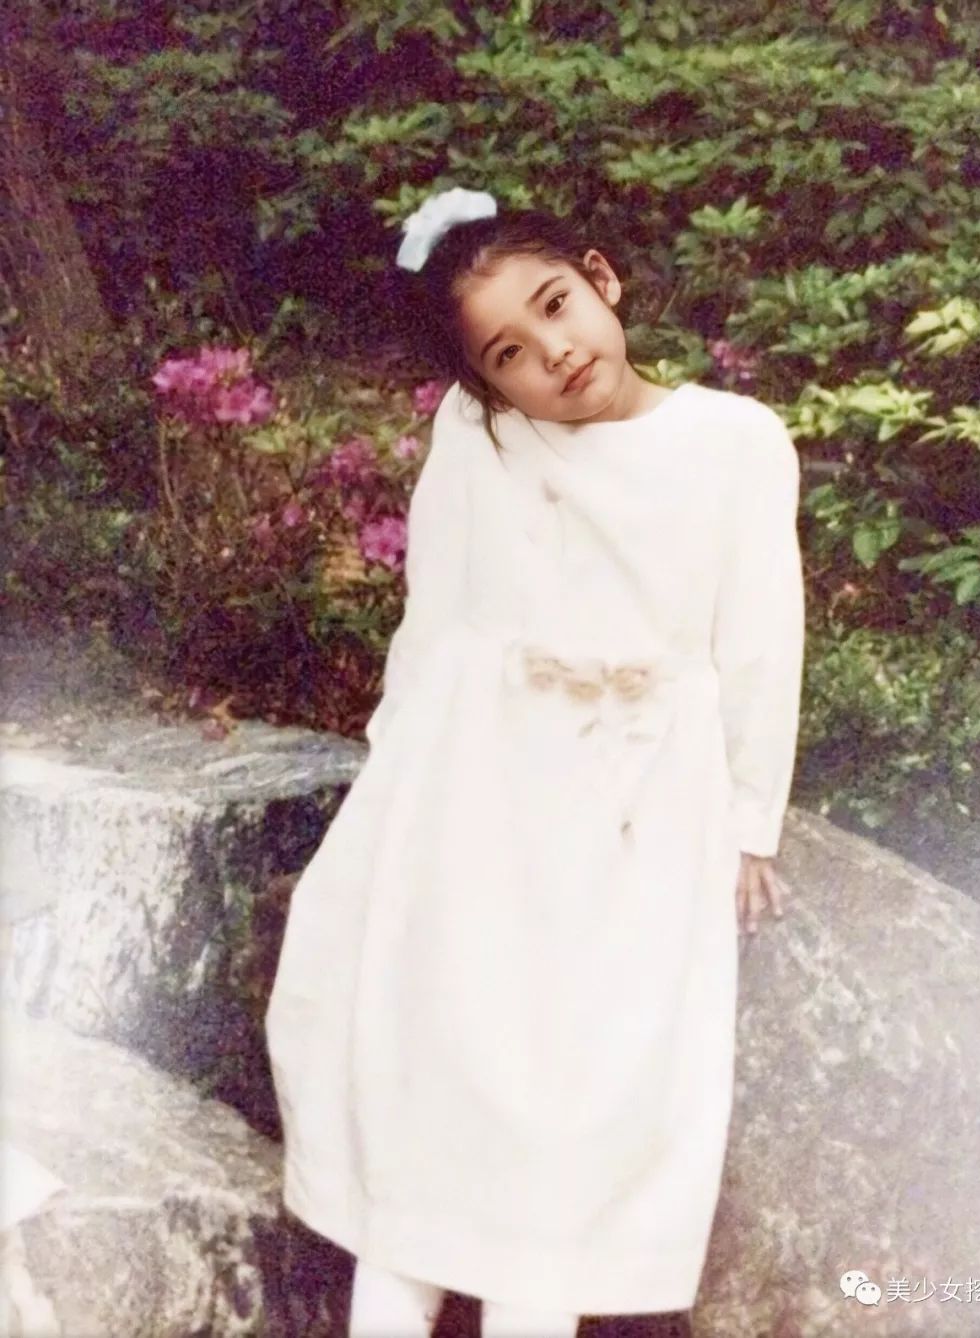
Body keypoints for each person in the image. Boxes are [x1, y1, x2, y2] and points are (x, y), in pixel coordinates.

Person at [265, 185, 805, 1337]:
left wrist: (750, 821)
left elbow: (762, 639)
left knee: (577, 1101)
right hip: (487, 780)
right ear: (485, 385)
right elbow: (438, 607)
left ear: (601, 279)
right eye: (507, 352)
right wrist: (394, 776)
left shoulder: (733, 442)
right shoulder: (484, 436)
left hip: (639, 792)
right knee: (438, 1064)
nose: (552, 353)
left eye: (555, 306)